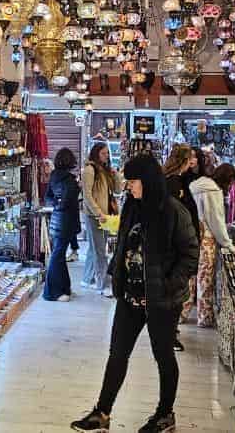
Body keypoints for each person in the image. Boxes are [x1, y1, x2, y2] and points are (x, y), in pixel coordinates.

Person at [71, 154, 199, 433]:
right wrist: (118, 276)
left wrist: (168, 285)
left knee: (163, 354)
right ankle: (102, 413)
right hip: (130, 298)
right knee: (117, 353)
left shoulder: (174, 211)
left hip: (162, 301)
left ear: (148, 181)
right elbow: (124, 247)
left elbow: (191, 255)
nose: (128, 186)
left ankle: (165, 414)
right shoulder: (132, 207)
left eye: (133, 181)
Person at [188, 160, 235, 327]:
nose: (231, 186)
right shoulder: (213, 191)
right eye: (231, 182)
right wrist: (227, 243)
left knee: (190, 275)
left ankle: (181, 312)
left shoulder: (196, 186)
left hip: (190, 233)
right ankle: (204, 316)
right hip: (206, 238)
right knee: (205, 278)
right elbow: (216, 220)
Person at [162, 144, 198, 348]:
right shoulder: (174, 183)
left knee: (175, 289)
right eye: (190, 158)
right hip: (177, 244)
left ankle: (169, 331)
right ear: (183, 161)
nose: (192, 161)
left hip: (174, 243)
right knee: (176, 289)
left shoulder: (173, 180)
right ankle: (169, 333)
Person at [81, 142, 123, 297]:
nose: (106, 156)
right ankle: (102, 284)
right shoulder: (89, 170)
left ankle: (87, 278)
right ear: (96, 153)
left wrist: (115, 174)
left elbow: (118, 190)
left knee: (95, 248)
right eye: (103, 153)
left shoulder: (104, 171)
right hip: (95, 216)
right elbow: (87, 195)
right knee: (100, 251)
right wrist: (98, 213)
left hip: (104, 216)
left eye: (107, 154)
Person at [43, 148, 82, 302]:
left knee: (58, 255)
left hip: (56, 220)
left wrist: (56, 205)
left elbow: (48, 197)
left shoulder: (54, 176)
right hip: (66, 221)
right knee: (57, 256)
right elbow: (67, 201)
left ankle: (64, 287)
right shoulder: (69, 180)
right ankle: (52, 292)